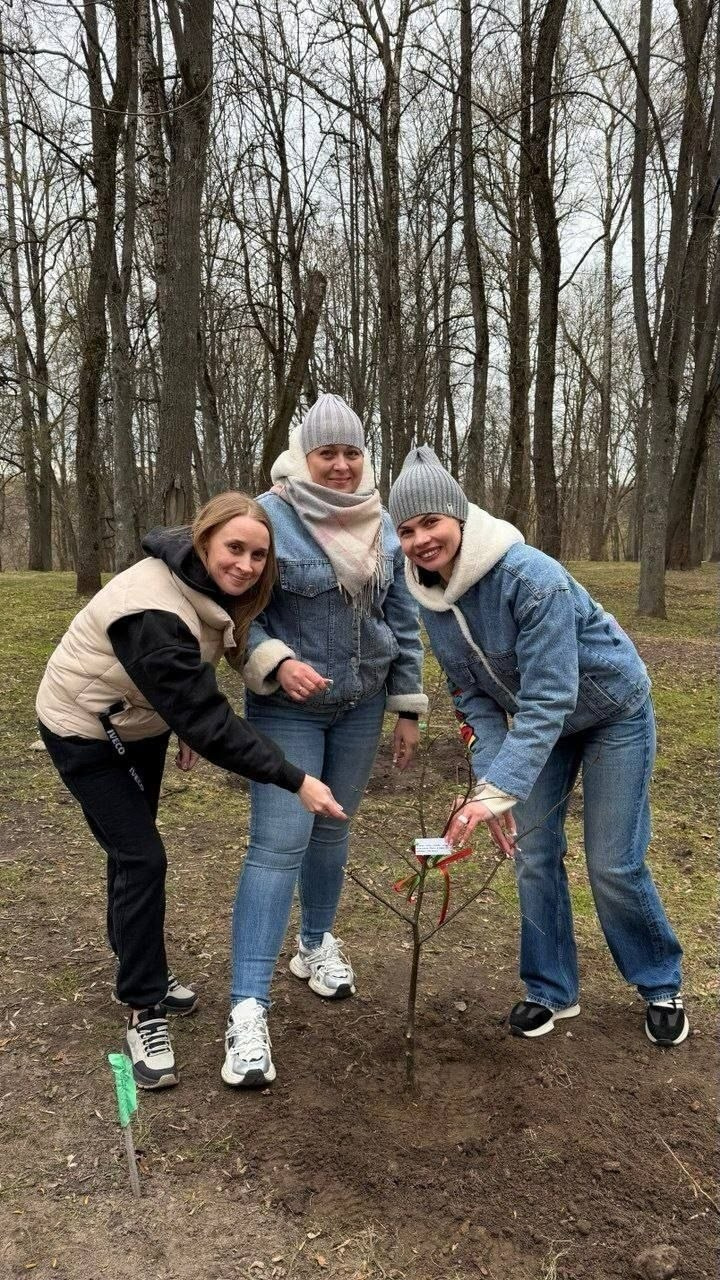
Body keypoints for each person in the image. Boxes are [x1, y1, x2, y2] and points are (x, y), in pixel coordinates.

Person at [36, 492, 344, 1090]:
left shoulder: (198, 584)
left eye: (259, 554)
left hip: (136, 719)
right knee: (141, 855)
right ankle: (142, 1005)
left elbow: (189, 685)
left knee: (133, 856)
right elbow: (207, 717)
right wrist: (295, 779)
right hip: (83, 726)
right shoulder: (151, 609)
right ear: (204, 541)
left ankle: (138, 964)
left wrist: (176, 718)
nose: (247, 565)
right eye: (235, 549)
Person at [388, 445, 688, 1048]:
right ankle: (551, 988)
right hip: (537, 725)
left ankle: (659, 982)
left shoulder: (530, 577)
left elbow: (552, 695)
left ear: (461, 518)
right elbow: (471, 696)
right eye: (407, 529)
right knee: (532, 854)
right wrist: (490, 789)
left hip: (611, 713)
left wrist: (501, 787)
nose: (421, 539)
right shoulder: (430, 600)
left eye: (432, 522)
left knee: (612, 862)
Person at [222, 394, 427, 1088]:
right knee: (278, 845)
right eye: (326, 452)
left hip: (362, 706)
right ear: (303, 455)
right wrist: (273, 658)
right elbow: (236, 611)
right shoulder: (269, 516)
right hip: (288, 713)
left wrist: (407, 704)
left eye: (350, 452)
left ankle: (315, 945)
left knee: (335, 832)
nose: (340, 465)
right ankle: (247, 1010)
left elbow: (400, 613)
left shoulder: (382, 519)